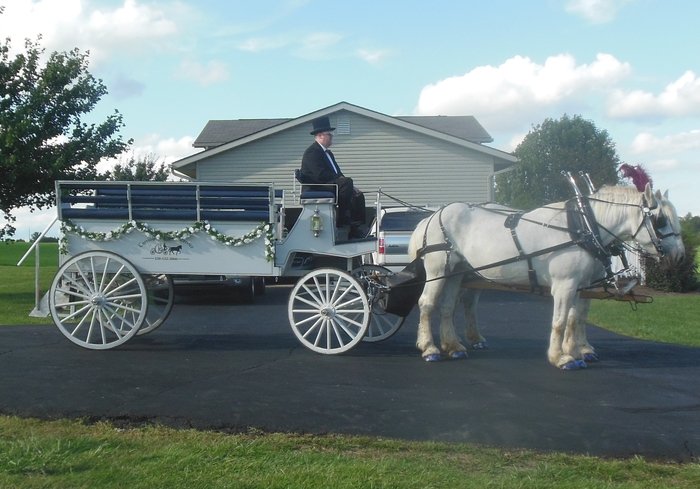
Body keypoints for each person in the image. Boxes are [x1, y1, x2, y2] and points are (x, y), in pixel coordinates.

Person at [299, 116, 365, 228]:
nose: (332, 136)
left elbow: (338, 172)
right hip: (316, 185)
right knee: (346, 183)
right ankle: (343, 218)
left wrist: (350, 185)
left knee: (358, 194)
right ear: (320, 135)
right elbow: (319, 175)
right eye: (329, 134)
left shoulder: (329, 154)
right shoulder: (312, 152)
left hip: (329, 183)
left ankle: (359, 225)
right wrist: (341, 181)